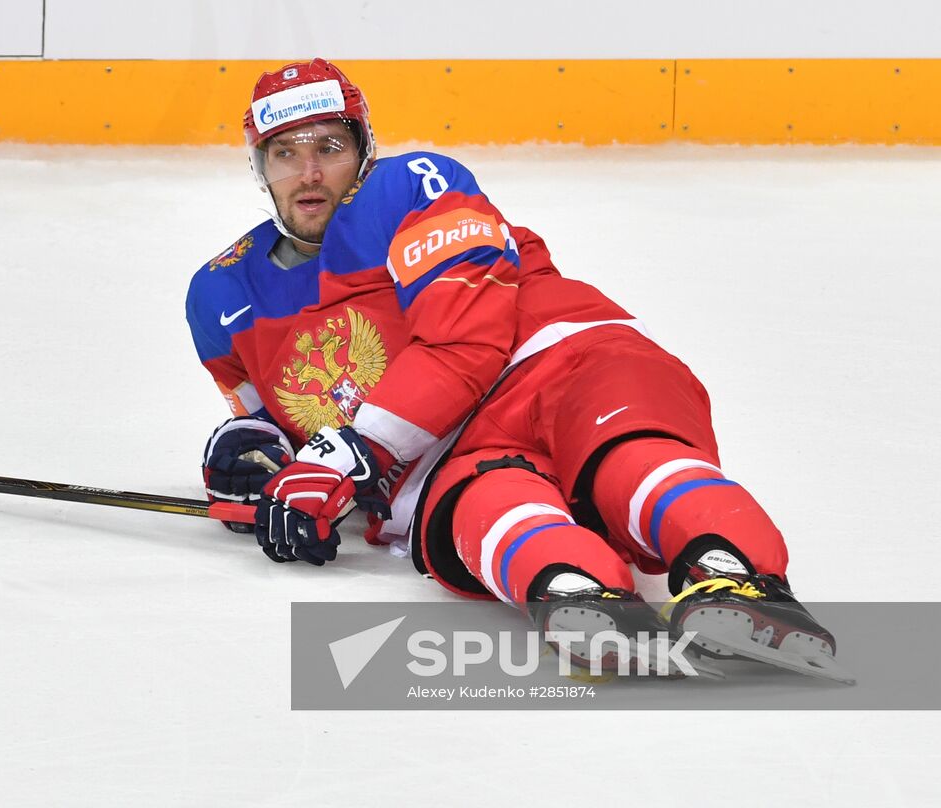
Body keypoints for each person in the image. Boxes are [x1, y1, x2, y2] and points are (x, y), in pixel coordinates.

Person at [186, 58, 841, 678]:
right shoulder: (217, 295)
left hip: (559, 361)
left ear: (364, 149)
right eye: (285, 153)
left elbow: (464, 345)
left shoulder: (411, 188)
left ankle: (741, 581)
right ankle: (582, 600)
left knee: (628, 455)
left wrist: (352, 453)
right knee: (490, 505)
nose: (308, 173)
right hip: (451, 455)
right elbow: (279, 425)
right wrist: (255, 457)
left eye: (329, 148)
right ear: (259, 168)